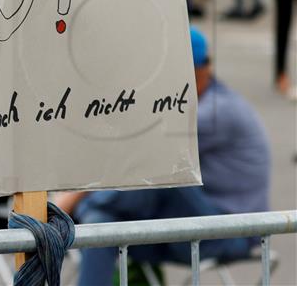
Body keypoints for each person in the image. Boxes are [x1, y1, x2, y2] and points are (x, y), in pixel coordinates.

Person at [57, 26, 271, 286]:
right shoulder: (199, 103)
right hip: (196, 223)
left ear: (192, 72)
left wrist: (73, 199)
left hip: (231, 233)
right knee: (103, 227)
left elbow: (140, 154)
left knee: (159, 179)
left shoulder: (217, 113)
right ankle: (78, 214)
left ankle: (68, 213)